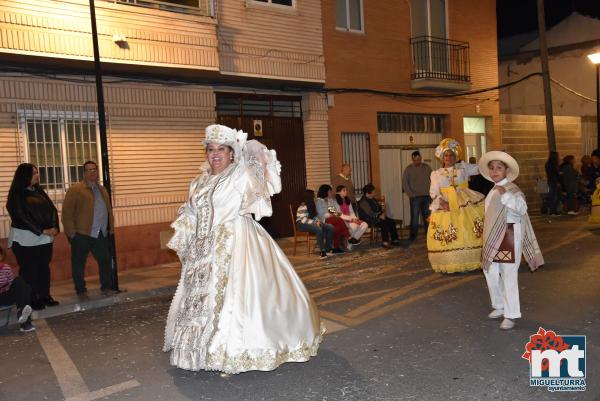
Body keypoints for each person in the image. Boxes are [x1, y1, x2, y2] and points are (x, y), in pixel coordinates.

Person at [163, 124, 323, 374]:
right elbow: (191, 212)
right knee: (200, 301)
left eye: (222, 149)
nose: (215, 154)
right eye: (211, 149)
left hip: (236, 242)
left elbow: (270, 184)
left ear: (230, 153)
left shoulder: (240, 175)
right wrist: (187, 238)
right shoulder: (198, 183)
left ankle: (235, 352)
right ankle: (200, 351)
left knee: (236, 301)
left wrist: (247, 147)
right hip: (203, 250)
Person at [479, 151, 544, 330]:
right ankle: (499, 306)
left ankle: (511, 314)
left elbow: (521, 209)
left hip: (508, 236)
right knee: (490, 271)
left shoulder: (513, 190)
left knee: (508, 275)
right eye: (492, 168)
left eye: (499, 168)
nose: (495, 171)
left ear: (506, 170)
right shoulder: (492, 190)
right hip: (492, 237)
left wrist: (505, 195)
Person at [6, 163, 59, 310]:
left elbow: (52, 209)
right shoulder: (16, 194)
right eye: (34, 173)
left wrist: (54, 227)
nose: (37, 175)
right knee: (29, 269)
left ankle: (44, 295)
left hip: (44, 237)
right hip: (25, 238)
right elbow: (20, 216)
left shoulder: (38, 191)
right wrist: (41, 230)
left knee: (43, 267)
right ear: (25, 176)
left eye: (37, 172)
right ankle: (30, 298)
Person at [427, 138, 485, 273]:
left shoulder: (463, 167)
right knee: (450, 229)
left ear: (455, 157)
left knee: (468, 227)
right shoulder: (436, 174)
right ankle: (451, 261)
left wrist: (491, 160)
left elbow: (480, 168)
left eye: (451, 155)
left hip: (465, 200)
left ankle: (472, 259)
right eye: (446, 155)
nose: (449, 157)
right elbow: (434, 192)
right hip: (446, 202)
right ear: (442, 157)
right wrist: (442, 202)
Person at [62, 161, 115, 298]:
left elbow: (108, 211)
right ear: (84, 173)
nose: (92, 172)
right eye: (88, 170)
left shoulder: (102, 190)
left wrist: (110, 228)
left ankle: (106, 287)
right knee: (79, 264)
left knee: (104, 260)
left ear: (97, 172)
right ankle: (81, 290)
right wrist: (72, 233)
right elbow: (67, 213)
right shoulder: (76, 189)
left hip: (100, 233)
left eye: (94, 169)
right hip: (82, 234)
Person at [0, 246, 35, 332]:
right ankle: (25, 323)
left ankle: (21, 311)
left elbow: (12, 284)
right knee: (27, 288)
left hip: (6, 295)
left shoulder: (6, 268)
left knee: (21, 282)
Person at [402, 151, 432, 241]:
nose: (417, 161)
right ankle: (413, 236)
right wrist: (411, 195)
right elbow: (404, 183)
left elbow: (434, 179)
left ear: (421, 158)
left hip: (427, 196)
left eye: (418, 159)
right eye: (415, 160)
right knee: (414, 218)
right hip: (415, 198)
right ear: (412, 159)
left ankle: (429, 235)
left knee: (427, 217)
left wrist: (432, 192)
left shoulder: (427, 167)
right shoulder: (408, 169)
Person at [358, 184, 400, 248]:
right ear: (368, 193)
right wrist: (379, 215)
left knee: (391, 221)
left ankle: (395, 240)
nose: (374, 193)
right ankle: (385, 242)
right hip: (368, 219)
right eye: (373, 192)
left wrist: (382, 210)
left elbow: (379, 208)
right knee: (384, 222)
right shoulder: (363, 202)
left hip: (376, 217)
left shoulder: (372, 199)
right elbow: (370, 213)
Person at [296, 189, 335, 258]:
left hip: (311, 223)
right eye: (313, 196)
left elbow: (314, 217)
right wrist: (315, 222)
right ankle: (322, 251)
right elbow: (303, 220)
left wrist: (318, 221)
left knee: (330, 227)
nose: (315, 198)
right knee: (318, 228)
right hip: (301, 225)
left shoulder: (312, 205)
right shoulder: (303, 206)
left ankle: (327, 249)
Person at [316, 184, 350, 253]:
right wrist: (332, 214)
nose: (331, 193)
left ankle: (336, 247)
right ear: (326, 192)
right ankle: (347, 237)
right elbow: (322, 215)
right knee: (339, 220)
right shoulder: (319, 201)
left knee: (337, 227)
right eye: (330, 191)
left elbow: (334, 212)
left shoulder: (330, 200)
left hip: (332, 219)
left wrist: (334, 214)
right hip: (323, 221)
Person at [544, 151, 561, 215]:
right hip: (553, 182)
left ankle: (553, 210)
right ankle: (552, 211)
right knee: (553, 196)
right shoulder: (551, 165)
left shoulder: (550, 164)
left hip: (552, 182)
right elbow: (552, 174)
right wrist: (557, 181)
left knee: (555, 196)